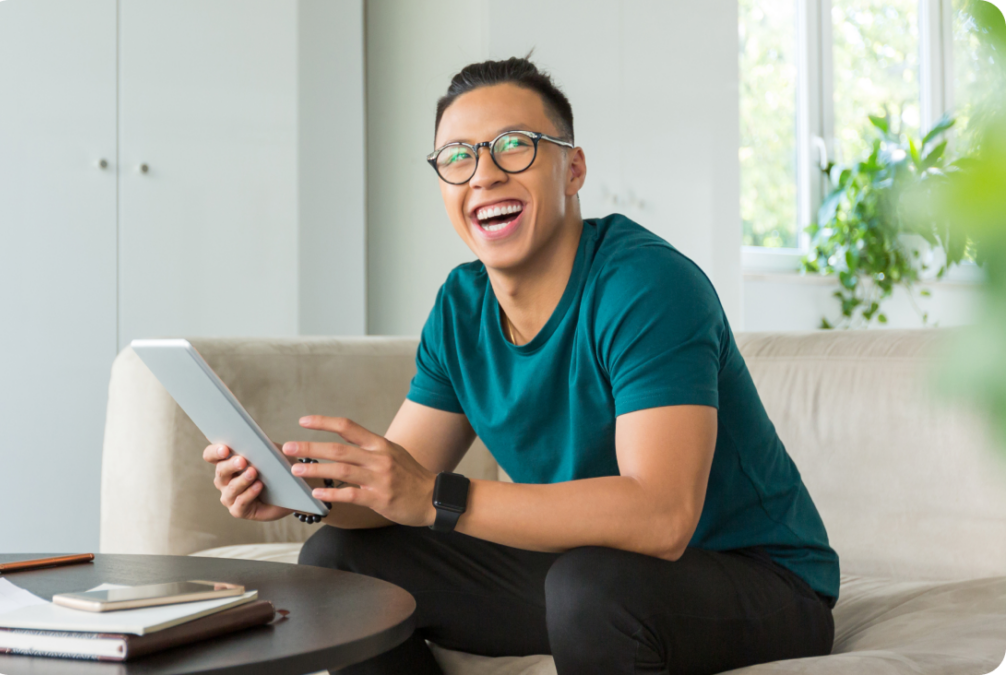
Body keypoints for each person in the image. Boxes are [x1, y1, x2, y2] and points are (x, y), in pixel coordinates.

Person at [203, 57, 839, 675]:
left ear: (573, 169)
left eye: (513, 145)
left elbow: (662, 517)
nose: (483, 174)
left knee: (592, 588)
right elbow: (394, 494)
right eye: (458, 157)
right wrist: (299, 494)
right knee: (339, 561)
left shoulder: (647, 285)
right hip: (585, 570)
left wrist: (433, 496)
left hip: (758, 579)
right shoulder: (462, 307)